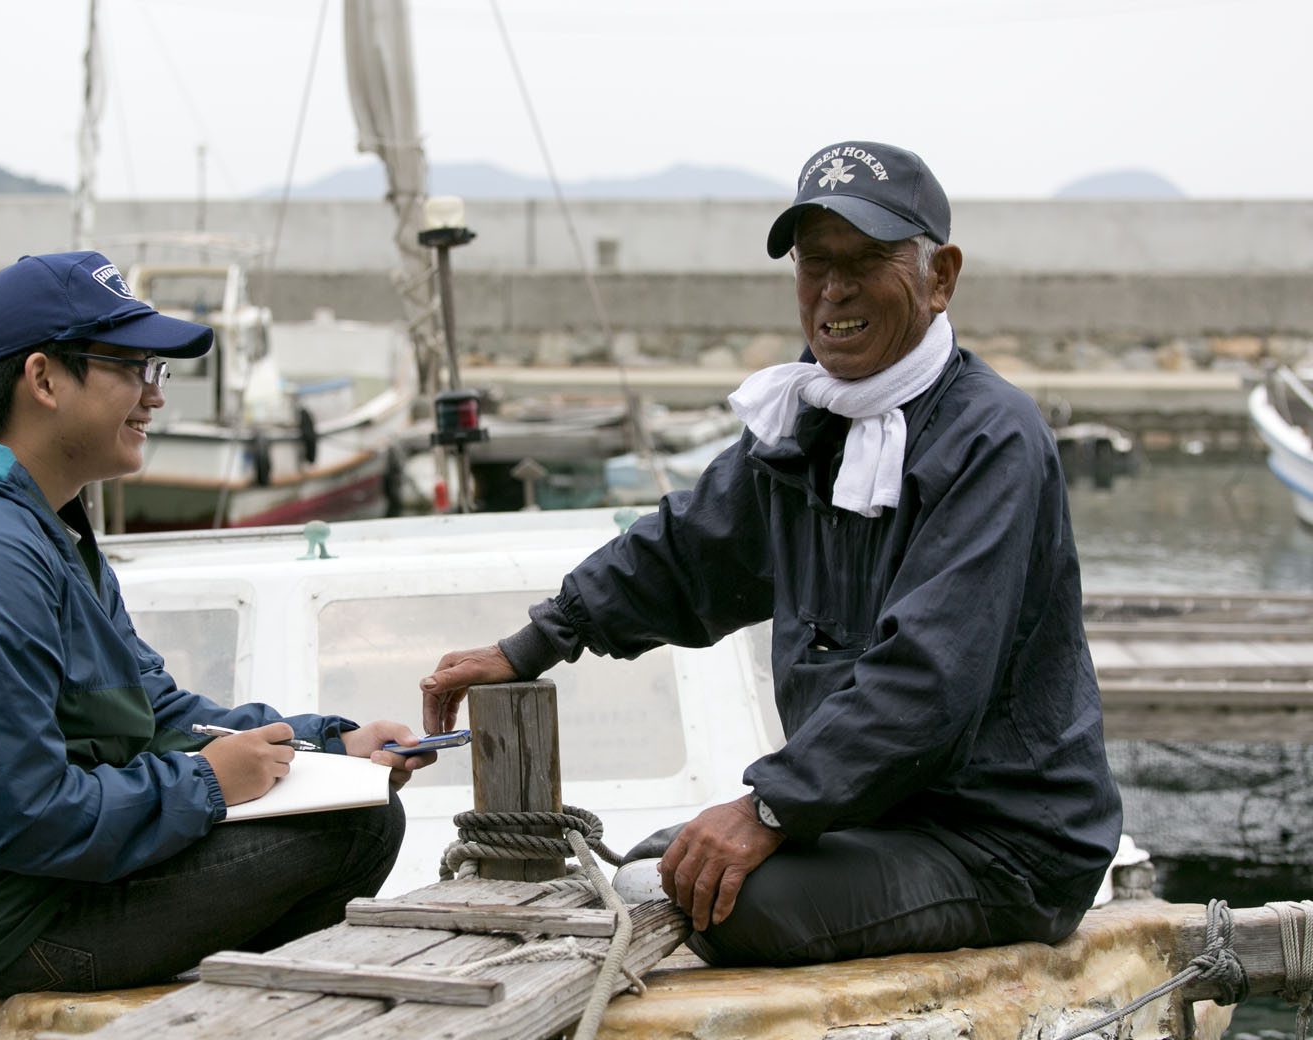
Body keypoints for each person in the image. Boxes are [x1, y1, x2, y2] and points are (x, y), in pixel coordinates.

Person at [420, 141, 1122, 967]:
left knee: (723, 900)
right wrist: (531, 644)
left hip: (1003, 843)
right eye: (814, 263)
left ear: (941, 277)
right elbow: (684, 553)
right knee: (662, 865)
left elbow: (928, 678)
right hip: (866, 813)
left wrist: (768, 809)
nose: (834, 289)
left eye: (866, 260)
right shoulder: (807, 417)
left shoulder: (992, 438)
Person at [0, 251, 432, 1001]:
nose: (153, 397)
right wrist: (207, 784)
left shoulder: (40, 528)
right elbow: (24, 815)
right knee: (355, 831)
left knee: (358, 801)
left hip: (37, 885)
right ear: (42, 379)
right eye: (133, 368)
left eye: (155, 373)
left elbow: (153, 709)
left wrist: (330, 742)